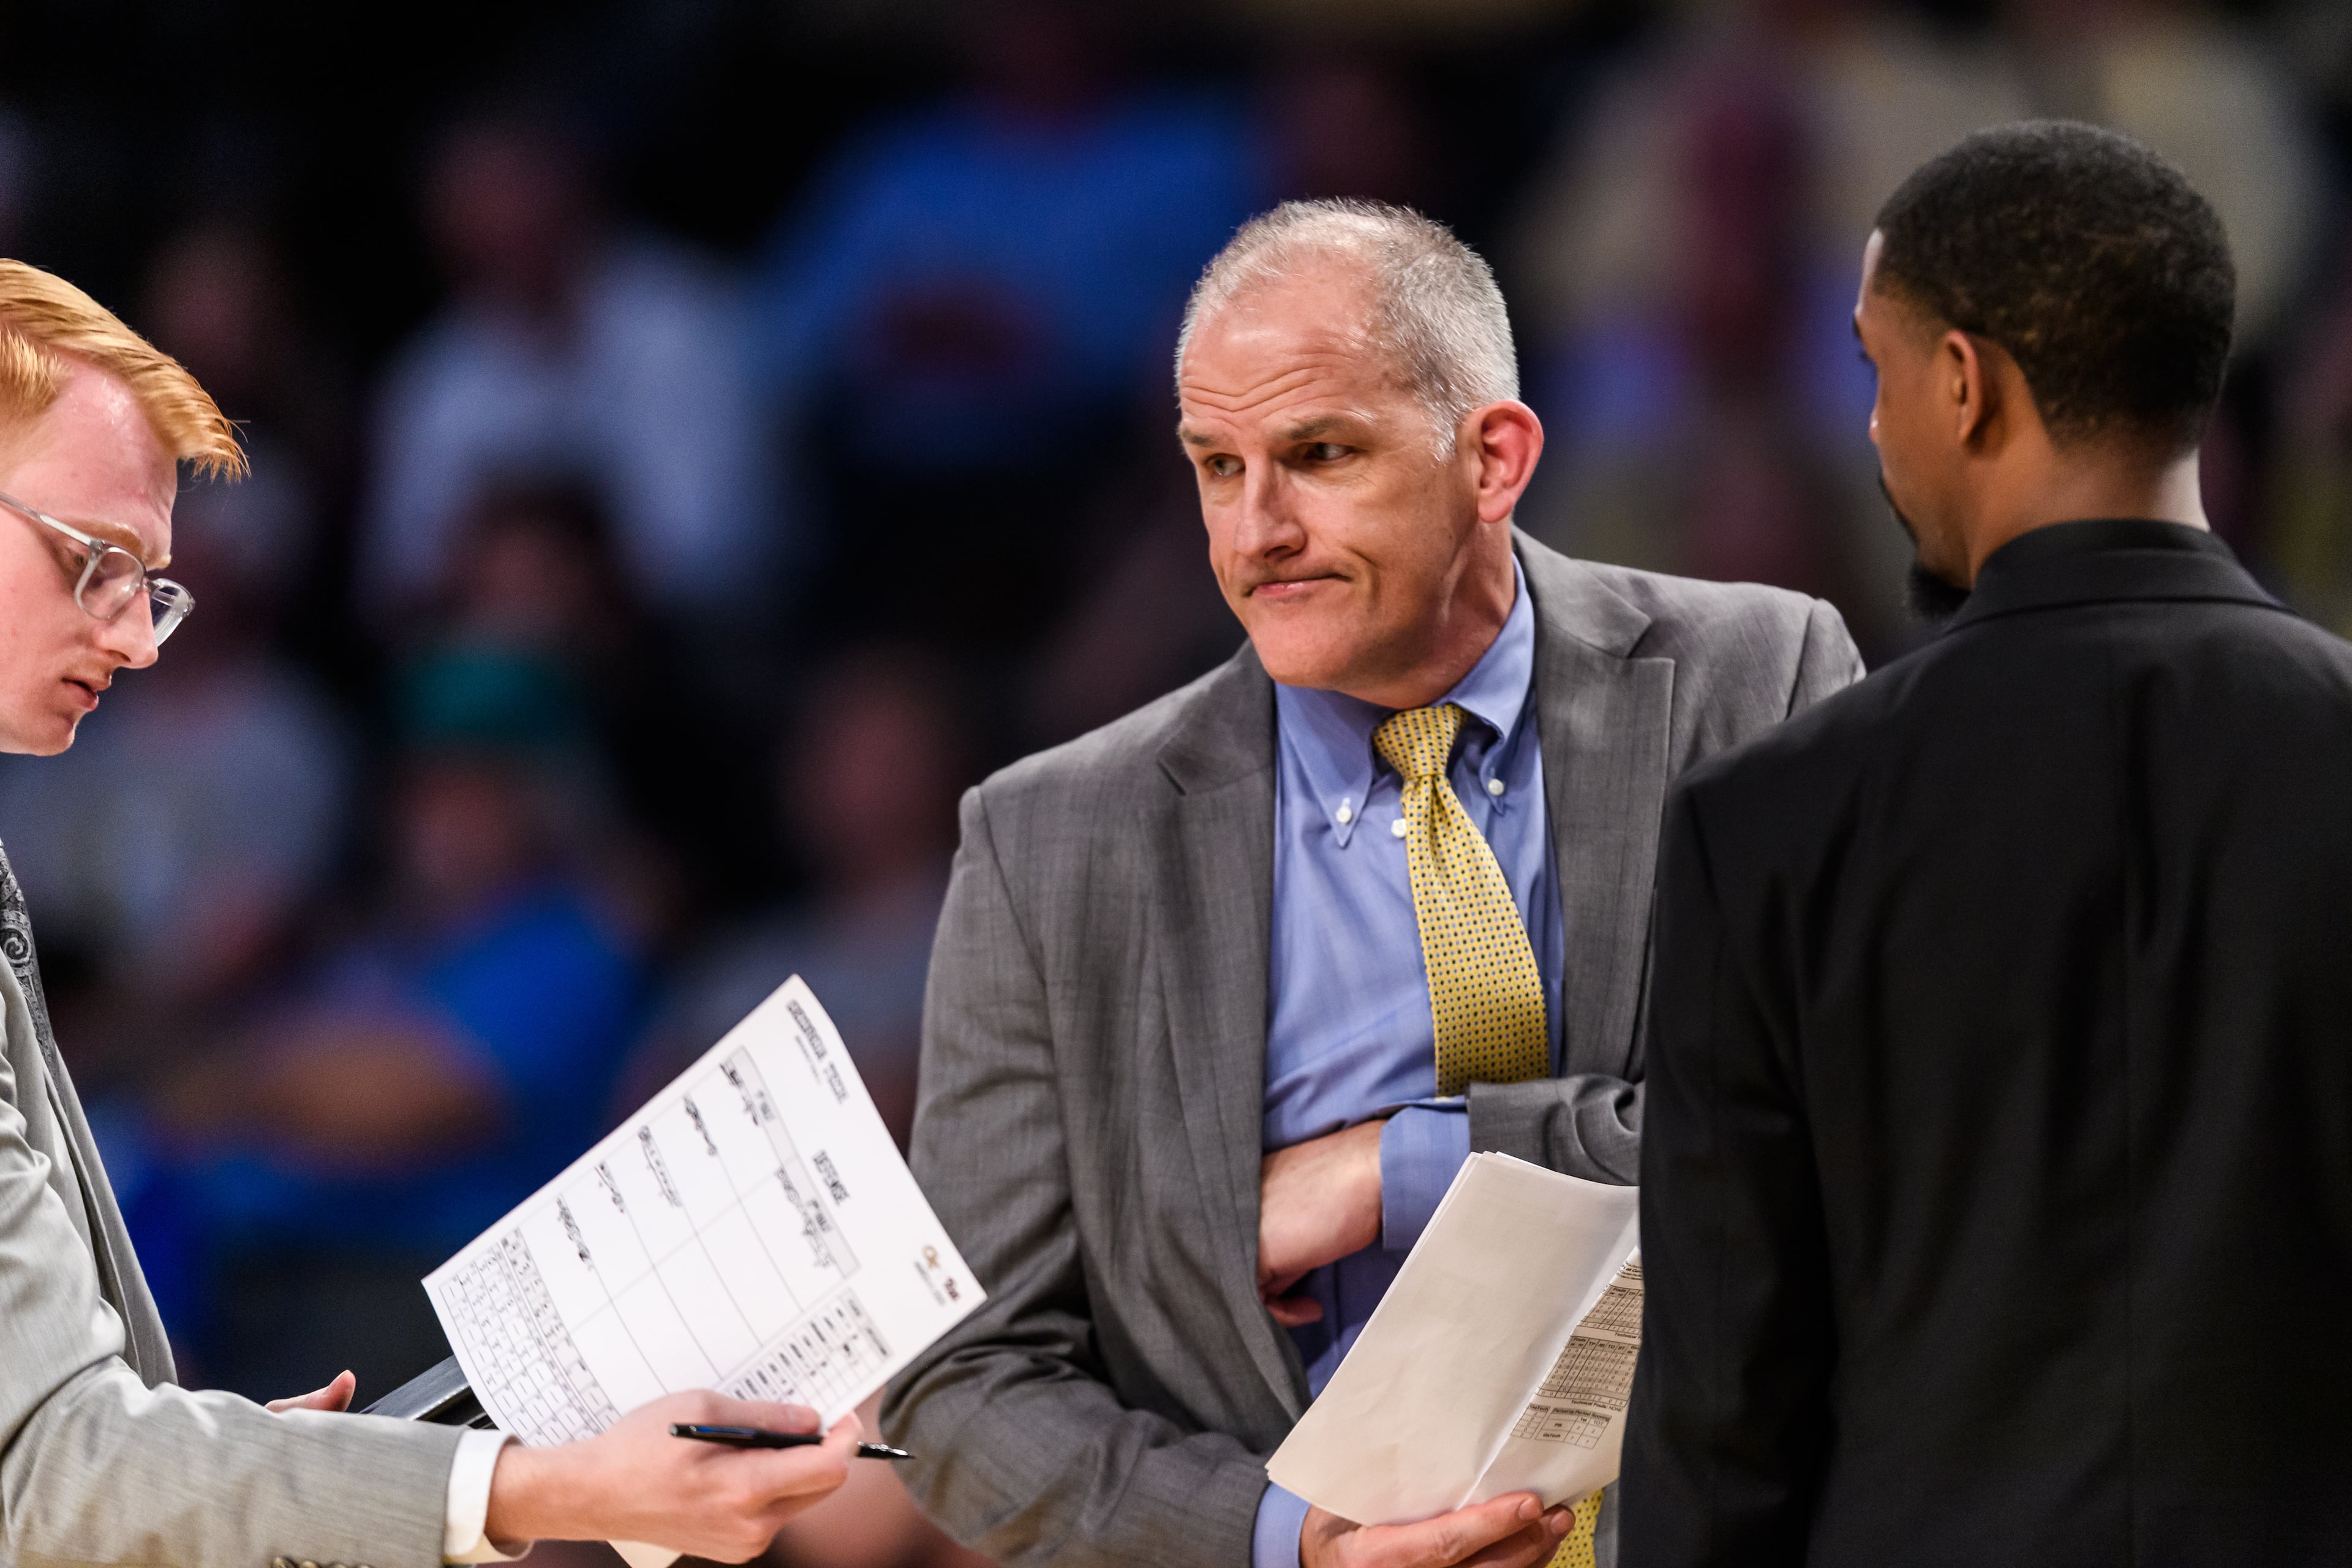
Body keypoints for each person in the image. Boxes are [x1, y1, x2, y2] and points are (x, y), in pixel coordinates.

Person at [883, 200, 1863, 1568]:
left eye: (1318, 455)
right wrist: (1293, 1542)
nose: (1255, 530)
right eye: (1217, 467)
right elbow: (961, 1383)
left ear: (1495, 457)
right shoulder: (1053, 843)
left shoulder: (1755, 680)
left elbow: (1849, 1128)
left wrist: (1398, 1165)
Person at [0, 258, 855, 1567]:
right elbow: (56, 1468)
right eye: (98, 562)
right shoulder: (393, 937)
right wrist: (532, 1489)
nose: (141, 637)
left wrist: (259, 1471)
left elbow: (384, 1098)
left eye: (154, 583)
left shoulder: (559, 940)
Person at [1619, 123, 2345, 1564]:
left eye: (1874, 372)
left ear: (1965, 384)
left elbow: (1725, 1410)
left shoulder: (1766, 821)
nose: (1873, 429)